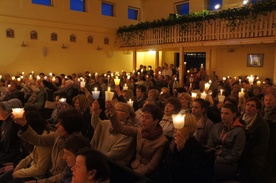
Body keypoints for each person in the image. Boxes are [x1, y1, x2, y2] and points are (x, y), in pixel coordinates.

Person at [14, 108, 84, 182]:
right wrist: (24, 125)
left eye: (61, 124)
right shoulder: (58, 136)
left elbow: (65, 174)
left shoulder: (78, 145)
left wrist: (39, 182)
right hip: (49, 177)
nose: (56, 125)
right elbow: (37, 140)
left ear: (70, 126)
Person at [107, 102, 167, 176]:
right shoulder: (141, 131)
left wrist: (133, 174)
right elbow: (120, 129)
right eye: (143, 117)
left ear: (156, 121)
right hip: (132, 166)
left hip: (145, 175)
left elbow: (151, 166)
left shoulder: (161, 141)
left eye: (147, 118)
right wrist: (113, 115)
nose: (143, 120)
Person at [156, 114, 214, 183]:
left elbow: (190, 172)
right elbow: (163, 167)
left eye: (180, 126)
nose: (175, 129)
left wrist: (181, 150)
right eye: (175, 126)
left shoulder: (196, 148)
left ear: (189, 129)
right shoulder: (170, 144)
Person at [208, 103, 246, 182]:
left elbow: (235, 154)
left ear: (234, 114)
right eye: (222, 113)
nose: (223, 116)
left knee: (209, 170)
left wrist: (218, 160)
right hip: (214, 158)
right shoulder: (217, 126)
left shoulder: (239, 131)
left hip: (229, 163)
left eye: (226, 113)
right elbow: (210, 144)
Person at [90, 101, 135, 166]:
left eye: (120, 110)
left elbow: (118, 151)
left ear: (128, 115)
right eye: (115, 109)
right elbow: (96, 125)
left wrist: (99, 157)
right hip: (99, 159)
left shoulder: (129, 130)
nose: (116, 112)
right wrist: (95, 113)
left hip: (113, 164)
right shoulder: (107, 123)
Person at [239, 97, 270, 183]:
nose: (249, 107)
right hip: (240, 152)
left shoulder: (262, 124)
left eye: (252, 106)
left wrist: (248, 152)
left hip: (253, 156)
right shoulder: (240, 119)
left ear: (257, 110)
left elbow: (262, 145)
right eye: (247, 105)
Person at [0, 99, 23, 177]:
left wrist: (16, 163)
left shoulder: (15, 124)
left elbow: (18, 145)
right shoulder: (4, 123)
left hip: (10, 157)